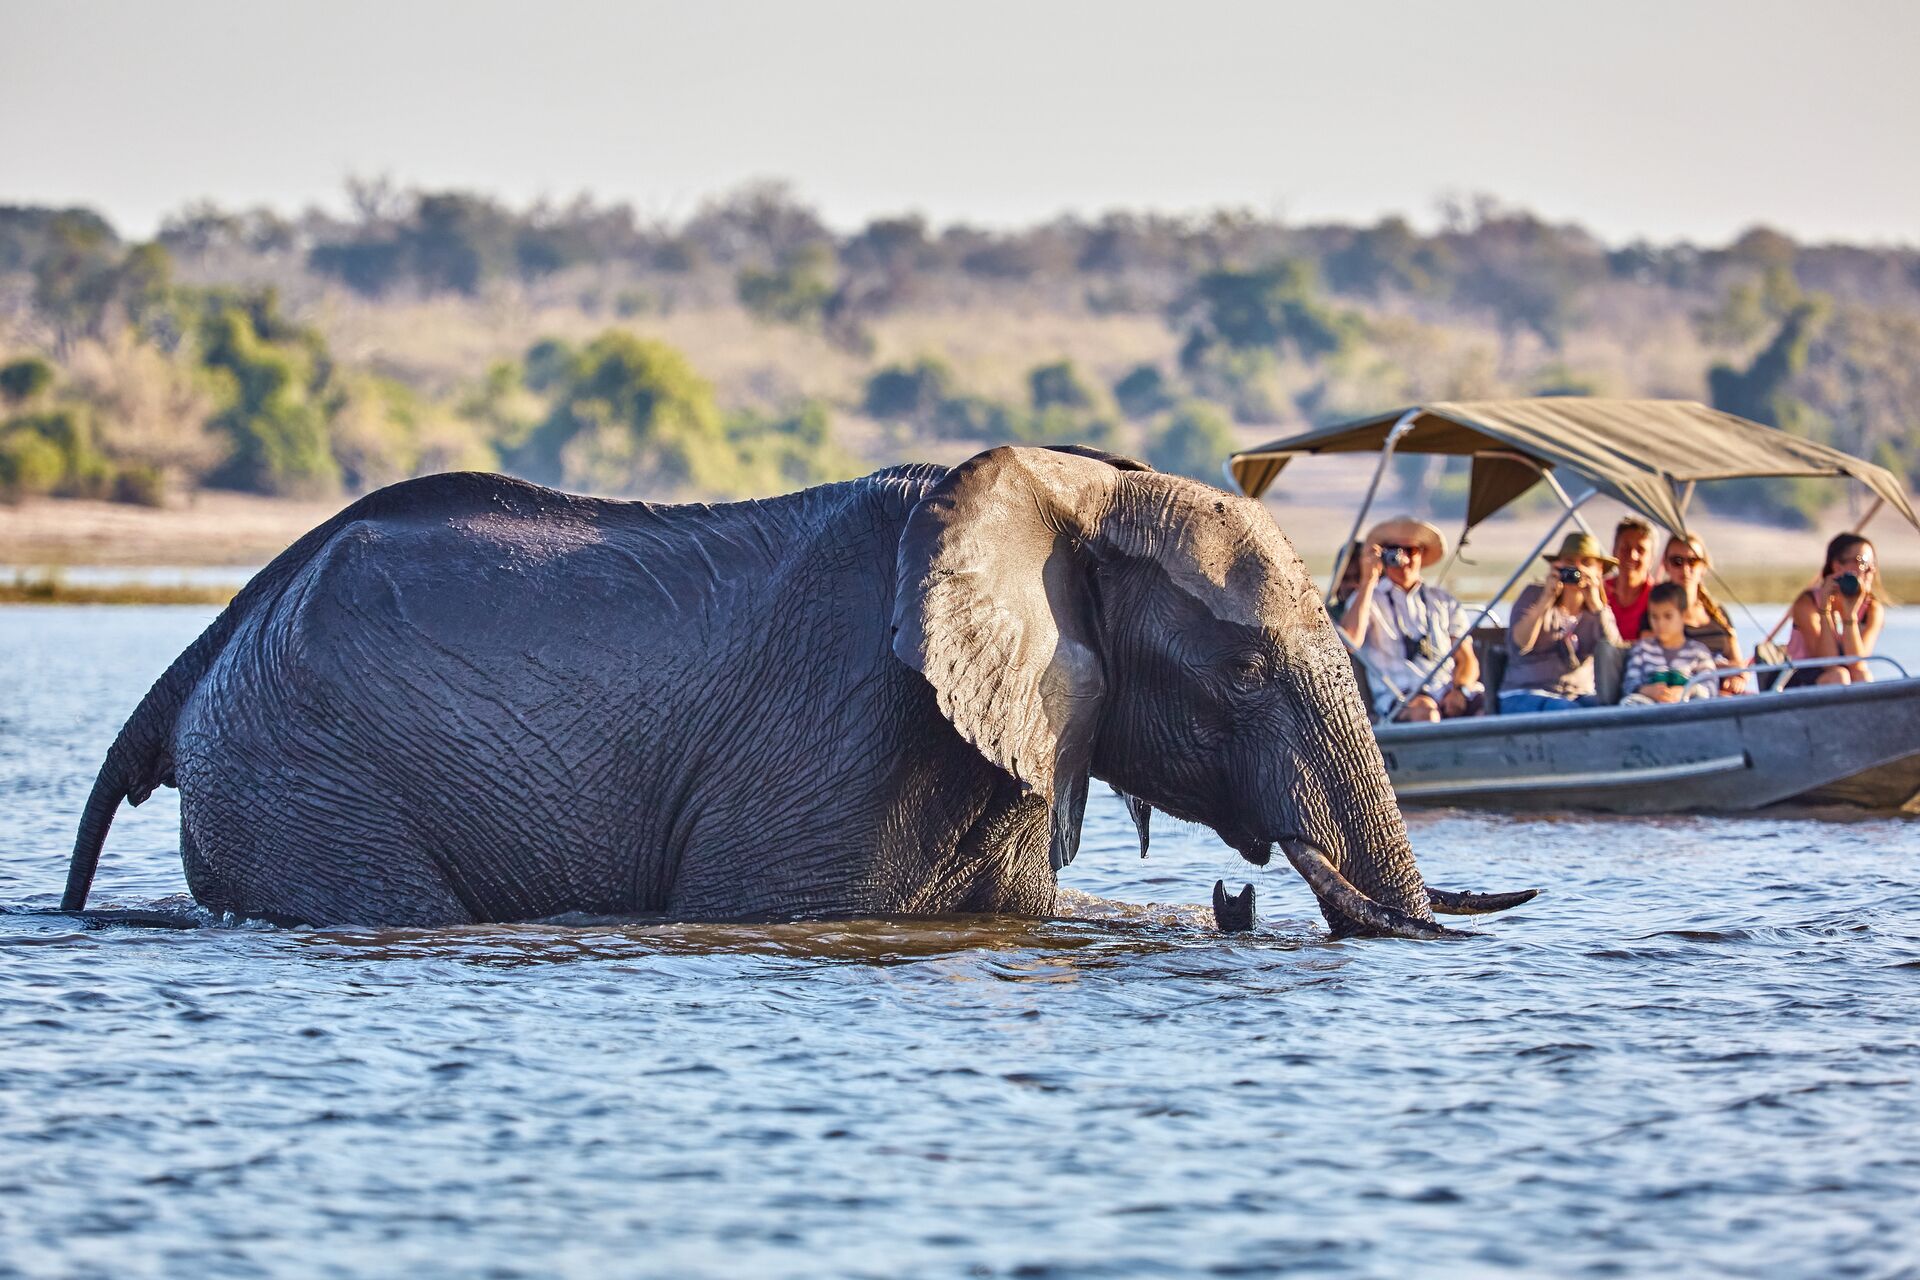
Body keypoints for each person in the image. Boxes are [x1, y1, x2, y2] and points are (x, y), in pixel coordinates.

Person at [1337, 516, 1483, 722]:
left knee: (1491, 706)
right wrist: (1368, 580)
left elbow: (1467, 659)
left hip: (1447, 691)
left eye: (1410, 550)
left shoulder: (1443, 601)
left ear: (1422, 554)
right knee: (1426, 712)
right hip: (1400, 697)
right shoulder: (1367, 599)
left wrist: (1460, 690)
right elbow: (1349, 642)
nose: (1402, 558)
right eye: (1394, 550)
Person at [1499, 532, 1623, 713]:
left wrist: (1596, 604)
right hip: (1525, 694)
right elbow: (1520, 644)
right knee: (1569, 711)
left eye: (1586, 563)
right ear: (1557, 566)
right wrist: (1546, 599)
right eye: (1570, 562)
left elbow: (1615, 652)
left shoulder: (1599, 611)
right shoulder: (1533, 595)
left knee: (1613, 711)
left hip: (1578, 694)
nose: (1577, 570)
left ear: (1599, 570)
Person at [1785, 533, 1884, 686]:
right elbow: (1828, 662)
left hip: (1844, 674)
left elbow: (1857, 663)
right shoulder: (1807, 602)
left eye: (1873, 563)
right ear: (1837, 566)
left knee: (1862, 674)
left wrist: (1850, 614)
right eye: (1863, 561)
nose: (1870, 569)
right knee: (1839, 675)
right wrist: (1825, 610)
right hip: (1802, 675)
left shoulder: (1872, 609)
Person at [1660, 533, 1749, 692]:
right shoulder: (1658, 612)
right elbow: (1659, 662)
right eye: (1677, 561)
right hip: (1684, 693)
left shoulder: (1718, 613)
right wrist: (1716, 667)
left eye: (1693, 561)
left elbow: (1738, 663)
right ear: (1665, 565)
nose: (1686, 569)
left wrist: (1738, 678)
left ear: (1703, 567)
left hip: (1724, 692)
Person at [1620, 583, 1721, 704]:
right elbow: (1629, 684)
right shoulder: (1642, 649)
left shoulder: (1699, 652)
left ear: (1683, 615)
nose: (1660, 623)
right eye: (1654, 617)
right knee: (1630, 702)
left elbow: (1710, 686)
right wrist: (1648, 691)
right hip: (1649, 708)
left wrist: (1686, 691)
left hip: (1687, 709)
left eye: (1668, 616)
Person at [1605, 515, 1656, 639]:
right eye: (1625, 548)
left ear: (1651, 559)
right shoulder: (1600, 591)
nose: (1633, 555)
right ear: (1614, 551)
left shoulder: (1659, 597)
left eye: (1641, 550)